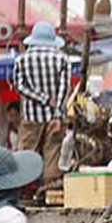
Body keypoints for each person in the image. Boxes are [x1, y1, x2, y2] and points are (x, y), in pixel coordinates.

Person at [13, 21, 71, 185]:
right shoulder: (63, 60)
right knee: (52, 156)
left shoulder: (21, 61)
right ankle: (48, 191)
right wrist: (58, 114)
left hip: (31, 117)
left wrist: (41, 98)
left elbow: (19, 86)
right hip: (55, 118)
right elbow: (63, 89)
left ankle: (25, 191)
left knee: (26, 156)